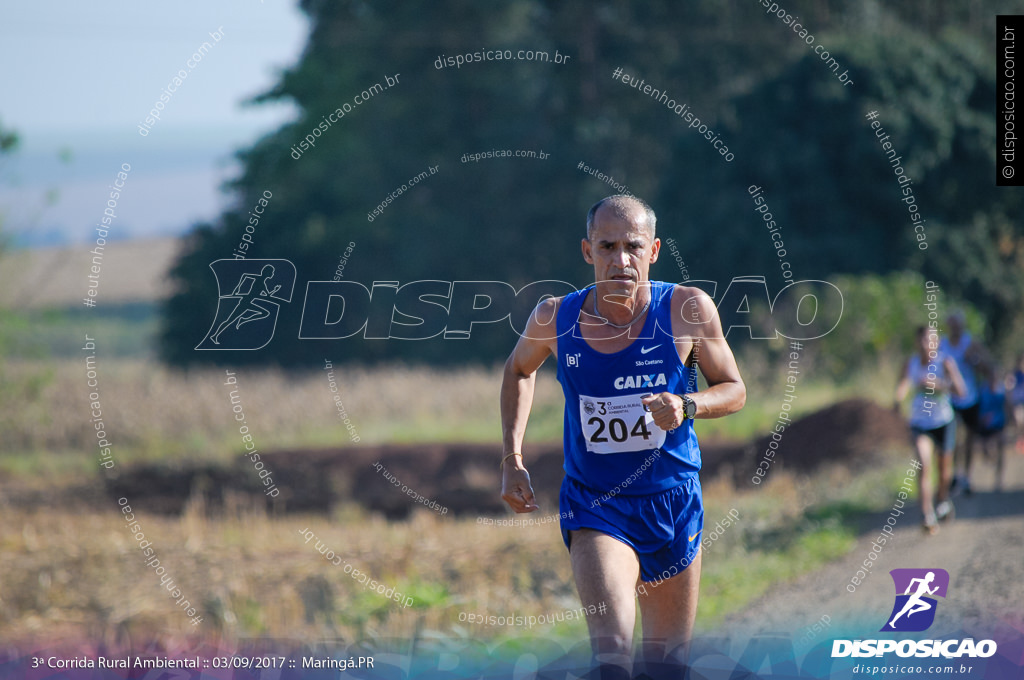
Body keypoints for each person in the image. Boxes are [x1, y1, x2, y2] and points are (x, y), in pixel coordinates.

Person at [499, 195, 746, 675]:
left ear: (654, 250)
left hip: (673, 502)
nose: (621, 259)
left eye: (633, 246)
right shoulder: (555, 317)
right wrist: (513, 456)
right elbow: (518, 371)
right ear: (588, 252)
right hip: (596, 505)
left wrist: (687, 405)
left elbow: (734, 390)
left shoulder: (687, 309)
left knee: (667, 667)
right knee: (612, 658)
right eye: (607, 246)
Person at [894, 326, 966, 534]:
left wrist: (938, 385)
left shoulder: (945, 363)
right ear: (918, 342)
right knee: (924, 465)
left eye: (932, 340)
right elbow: (903, 384)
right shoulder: (911, 362)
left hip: (943, 421)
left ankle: (942, 500)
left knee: (944, 472)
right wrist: (897, 400)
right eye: (924, 340)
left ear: (937, 342)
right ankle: (927, 514)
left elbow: (961, 391)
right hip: (919, 423)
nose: (928, 344)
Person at [939, 311, 984, 495]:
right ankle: (954, 476)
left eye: (958, 325)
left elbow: (985, 364)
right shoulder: (942, 344)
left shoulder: (970, 343)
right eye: (952, 325)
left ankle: (968, 475)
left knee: (970, 439)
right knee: (954, 438)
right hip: (950, 398)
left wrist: (974, 359)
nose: (955, 328)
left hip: (970, 397)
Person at [1006, 353, 1024, 455]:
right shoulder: (1014, 375)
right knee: (1018, 420)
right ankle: (1019, 441)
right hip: (1017, 404)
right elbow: (1009, 387)